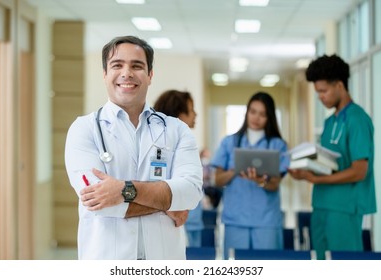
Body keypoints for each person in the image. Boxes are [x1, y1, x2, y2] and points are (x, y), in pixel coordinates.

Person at [64, 36, 203, 260]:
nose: (127, 73)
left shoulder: (177, 130)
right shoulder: (84, 129)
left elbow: (190, 193)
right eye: (117, 65)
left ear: (150, 75)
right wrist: (166, 202)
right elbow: (98, 202)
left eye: (137, 66)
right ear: (105, 74)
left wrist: (123, 190)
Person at [288, 54, 377, 260]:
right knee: (321, 263)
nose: (320, 97)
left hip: (344, 208)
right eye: (317, 92)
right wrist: (306, 172)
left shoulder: (357, 120)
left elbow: (359, 171)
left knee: (344, 265)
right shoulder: (330, 123)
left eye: (323, 91)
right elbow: (330, 165)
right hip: (321, 204)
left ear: (339, 85)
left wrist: (317, 179)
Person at [210, 92, 289, 259]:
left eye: (262, 114)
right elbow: (216, 179)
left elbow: (275, 183)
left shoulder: (278, 145)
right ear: (247, 112)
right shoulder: (229, 142)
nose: (256, 118)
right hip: (235, 221)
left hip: (266, 222)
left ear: (269, 118)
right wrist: (236, 169)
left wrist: (261, 181)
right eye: (253, 112)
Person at [153, 89, 204, 247]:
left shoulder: (187, 144)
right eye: (191, 110)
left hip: (191, 219)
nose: (195, 114)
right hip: (171, 220)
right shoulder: (159, 148)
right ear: (180, 116)